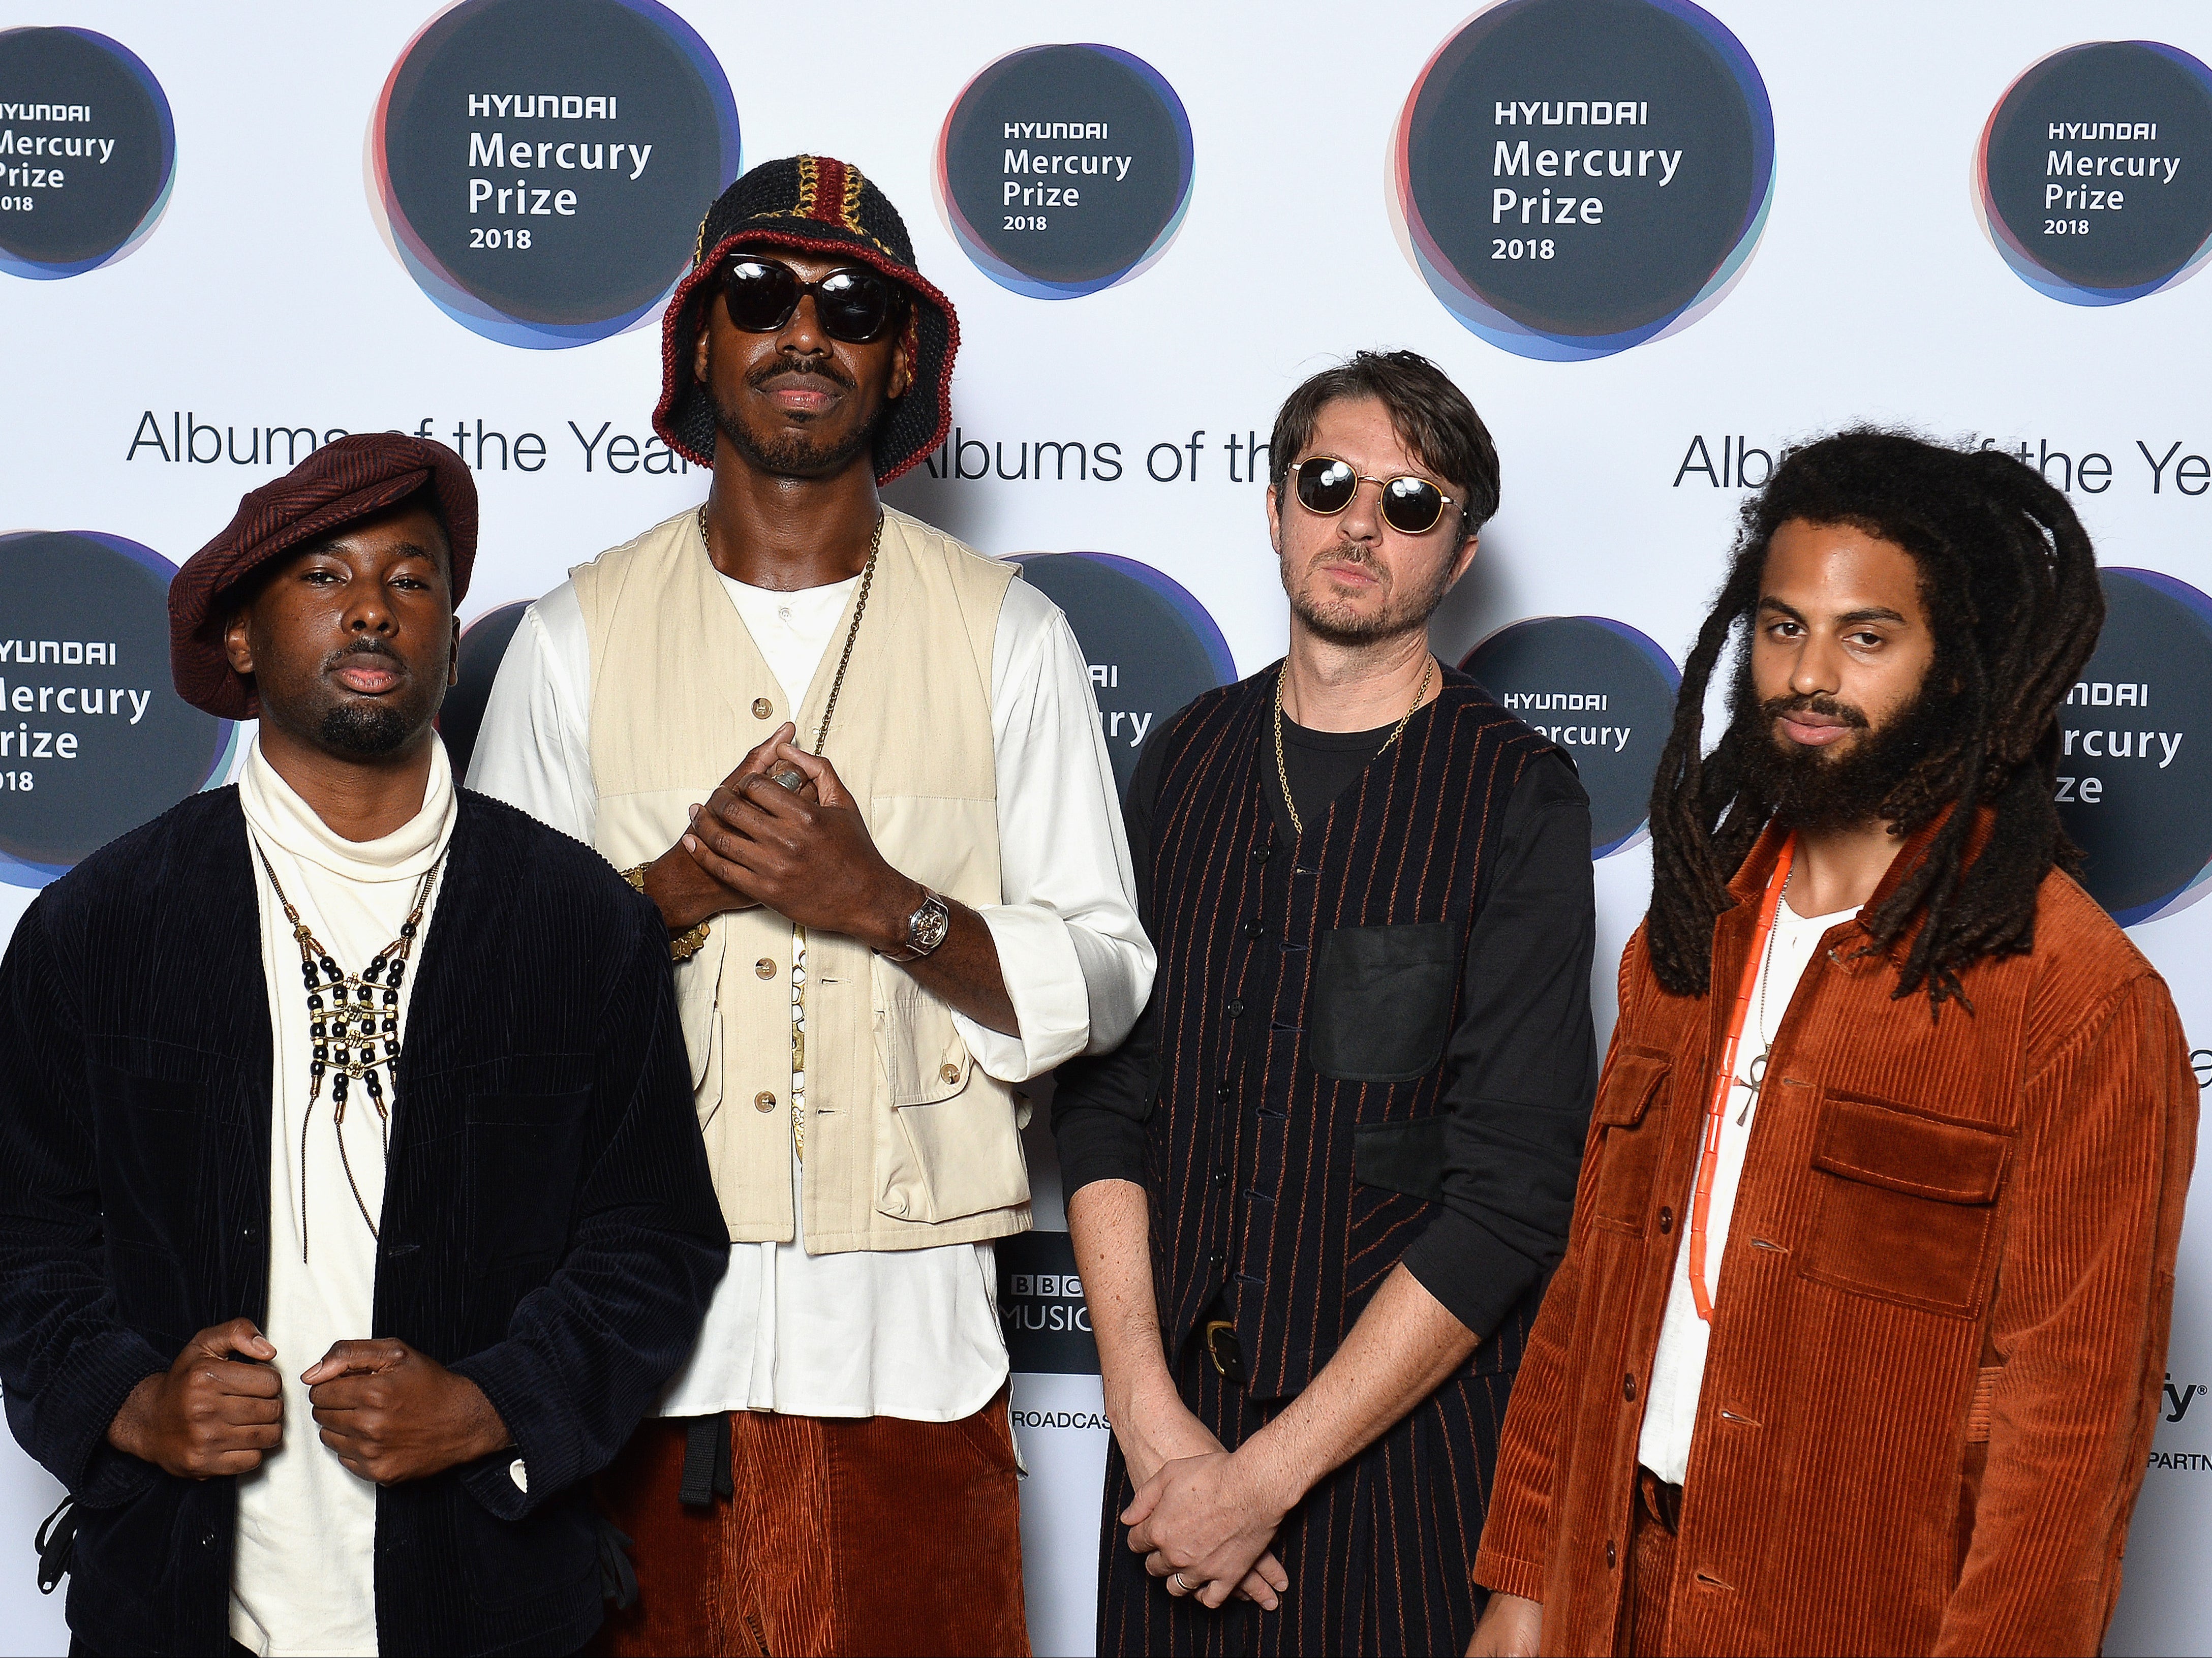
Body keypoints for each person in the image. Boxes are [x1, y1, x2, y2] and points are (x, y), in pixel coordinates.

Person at [468, 154, 1151, 1657]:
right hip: (634, 1371)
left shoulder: (1010, 637)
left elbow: (1107, 972)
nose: (804, 333)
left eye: (852, 308)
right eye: (761, 295)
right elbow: (482, 1008)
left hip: (914, 1361)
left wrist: (888, 904)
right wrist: (676, 888)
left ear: (900, 358)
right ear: (701, 340)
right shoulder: (575, 636)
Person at [1469, 431, 2197, 1657]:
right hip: (1615, 1587)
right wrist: (1524, 1577)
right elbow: (1593, 1285)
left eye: (1867, 636)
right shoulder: (1687, 938)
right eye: (1781, 626)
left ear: (1955, 670)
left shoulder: (2075, 998)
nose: (1808, 675)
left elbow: (2066, 1430)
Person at [0, 434, 727, 1657]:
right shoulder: (102, 926)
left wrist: (494, 1400)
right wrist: (131, 1401)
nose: (374, 611)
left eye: (411, 579)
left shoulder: (576, 921)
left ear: (450, 636)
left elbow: (651, 1240)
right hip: (176, 1601)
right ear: (239, 636)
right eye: (325, 578)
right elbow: (24, 1237)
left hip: (490, 1596)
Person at [1051, 350, 1599, 1656]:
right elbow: (1110, 1100)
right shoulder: (1181, 757)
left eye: (1413, 502)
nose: (1362, 522)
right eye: (1332, 481)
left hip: (1396, 1474)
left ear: (1458, 554)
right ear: (1276, 499)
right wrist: (1153, 1426)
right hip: (1165, 1474)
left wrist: (1262, 1479)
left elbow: (1512, 1192)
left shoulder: (1518, 794)